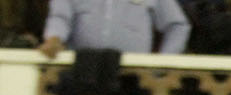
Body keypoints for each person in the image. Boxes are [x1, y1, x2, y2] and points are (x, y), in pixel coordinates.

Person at [37, 0, 191, 57]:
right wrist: (54, 39)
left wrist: (162, 64)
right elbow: (60, 17)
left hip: (135, 78)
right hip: (81, 72)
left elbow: (177, 25)